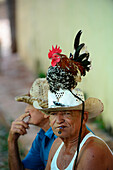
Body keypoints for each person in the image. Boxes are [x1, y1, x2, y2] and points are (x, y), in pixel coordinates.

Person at [33, 30, 113, 169]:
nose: (59, 120)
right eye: (53, 113)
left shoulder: (92, 152)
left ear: (84, 117)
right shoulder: (57, 144)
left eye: (67, 113)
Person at [8, 78, 57, 170]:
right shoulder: (43, 136)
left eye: (31, 104)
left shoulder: (62, 136)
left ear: (46, 112)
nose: (26, 110)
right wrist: (12, 141)